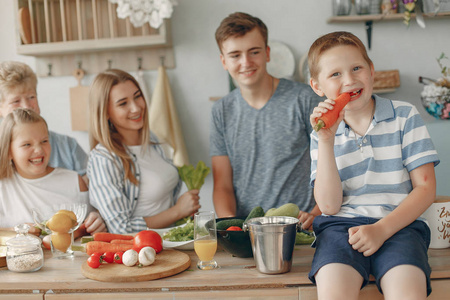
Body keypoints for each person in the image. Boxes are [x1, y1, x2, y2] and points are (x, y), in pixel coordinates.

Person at [308, 31, 439, 299]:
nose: (349, 80)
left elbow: (425, 188)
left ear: (371, 71)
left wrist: (381, 230)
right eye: (335, 74)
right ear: (317, 87)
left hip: (399, 227)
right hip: (339, 230)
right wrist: (326, 141)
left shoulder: (404, 116)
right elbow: (330, 207)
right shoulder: (320, 134)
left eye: (357, 68)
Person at [210, 12, 322, 227]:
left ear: (267, 53)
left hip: (302, 229)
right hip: (248, 232)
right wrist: (232, 226)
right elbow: (222, 185)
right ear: (224, 61)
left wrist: (316, 214)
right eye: (235, 55)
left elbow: (333, 164)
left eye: (254, 52)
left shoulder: (304, 99)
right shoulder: (221, 111)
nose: (246, 62)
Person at [87, 69, 200, 234]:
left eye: (137, 96)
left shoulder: (152, 142)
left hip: (170, 243)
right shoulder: (103, 158)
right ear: (105, 113)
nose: (136, 107)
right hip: (142, 252)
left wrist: (186, 210)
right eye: (123, 103)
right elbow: (121, 229)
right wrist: (177, 211)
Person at [0, 108, 106, 236]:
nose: (39, 150)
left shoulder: (74, 181)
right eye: (27, 144)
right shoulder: (3, 187)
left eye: (44, 141)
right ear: (9, 151)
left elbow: (90, 227)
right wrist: (16, 230)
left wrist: (97, 220)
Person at [0, 61, 88, 181]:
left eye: (31, 97)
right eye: (16, 101)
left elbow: (88, 185)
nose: (26, 107)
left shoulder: (68, 146)